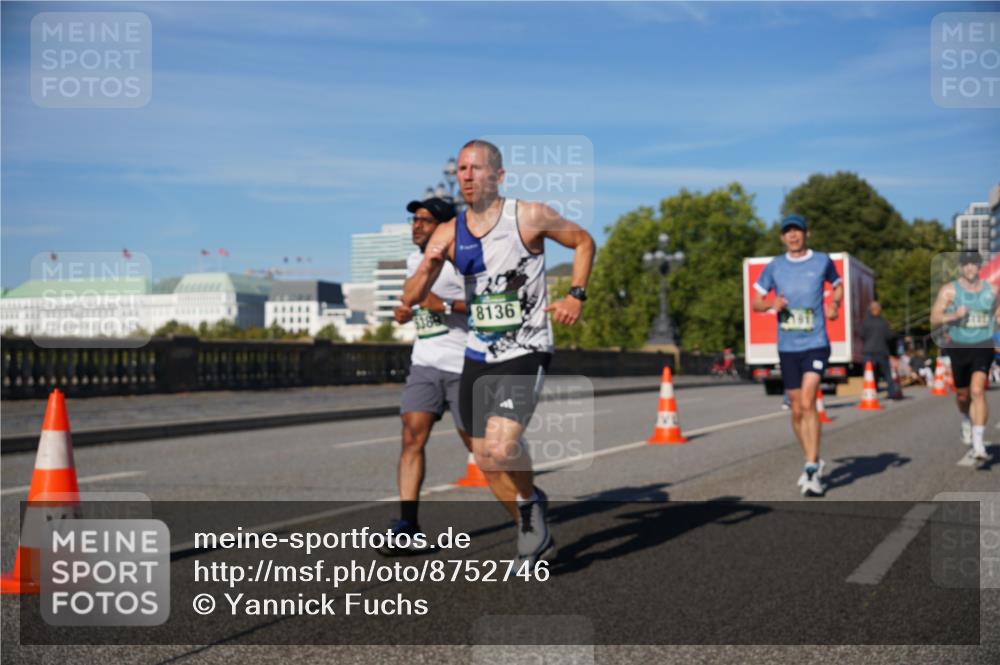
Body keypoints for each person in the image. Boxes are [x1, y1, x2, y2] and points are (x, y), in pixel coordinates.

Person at [403, 139, 595, 564]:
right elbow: (412, 295)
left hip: (526, 347)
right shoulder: (449, 232)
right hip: (478, 353)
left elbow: (583, 241)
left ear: (499, 175)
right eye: (462, 170)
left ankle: (528, 508)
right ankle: (531, 513)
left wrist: (576, 295)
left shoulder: (529, 215)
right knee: (485, 458)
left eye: (476, 168)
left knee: (502, 445)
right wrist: (428, 267)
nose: (467, 176)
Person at [383, 197, 473, 554]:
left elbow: (492, 305)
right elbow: (416, 304)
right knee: (411, 438)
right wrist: (406, 312)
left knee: (481, 451)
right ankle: (408, 525)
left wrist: (446, 305)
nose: (416, 226)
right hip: (425, 362)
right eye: (414, 219)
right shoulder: (414, 261)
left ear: (446, 228)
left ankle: (528, 510)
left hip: (464, 364)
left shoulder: (465, 261)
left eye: (425, 220)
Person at [751, 214, 843, 496]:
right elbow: (755, 302)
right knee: (796, 408)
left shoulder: (822, 261)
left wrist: (834, 304)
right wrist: (772, 303)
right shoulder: (775, 266)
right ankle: (811, 458)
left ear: (806, 234)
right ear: (782, 237)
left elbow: (837, 286)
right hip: (787, 346)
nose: (793, 235)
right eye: (788, 232)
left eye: (797, 231)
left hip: (816, 342)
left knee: (807, 399)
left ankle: (812, 468)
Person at [930, 251, 997, 461]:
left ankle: (978, 444)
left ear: (979, 267)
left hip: (983, 345)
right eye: (966, 264)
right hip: (958, 346)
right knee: (962, 395)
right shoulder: (949, 290)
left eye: (973, 264)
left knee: (977, 390)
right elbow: (934, 317)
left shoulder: (992, 290)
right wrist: (954, 315)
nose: (970, 268)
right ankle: (966, 419)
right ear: (961, 267)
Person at [860, 301, 899, 398]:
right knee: (887, 374)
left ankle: (871, 393)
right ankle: (891, 393)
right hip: (881, 351)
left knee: (870, 374)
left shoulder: (865, 322)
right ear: (879, 310)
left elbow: (862, 335)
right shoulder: (884, 322)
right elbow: (889, 336)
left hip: (868, 351)